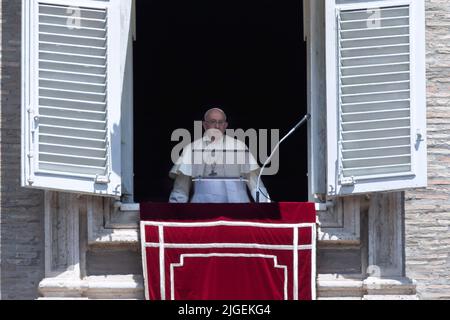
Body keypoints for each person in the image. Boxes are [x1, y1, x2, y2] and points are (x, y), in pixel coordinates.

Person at [169, 108, 271, 203]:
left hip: (238, 209)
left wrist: (266, 206)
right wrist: (173, 213)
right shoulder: (191, 149)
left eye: (220, 122)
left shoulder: (239, 146)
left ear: (225, 125)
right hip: (202, 209)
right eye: (213, 122)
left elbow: (255, 184)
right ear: (205, 125)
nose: (217, 126)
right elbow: (181, 190)